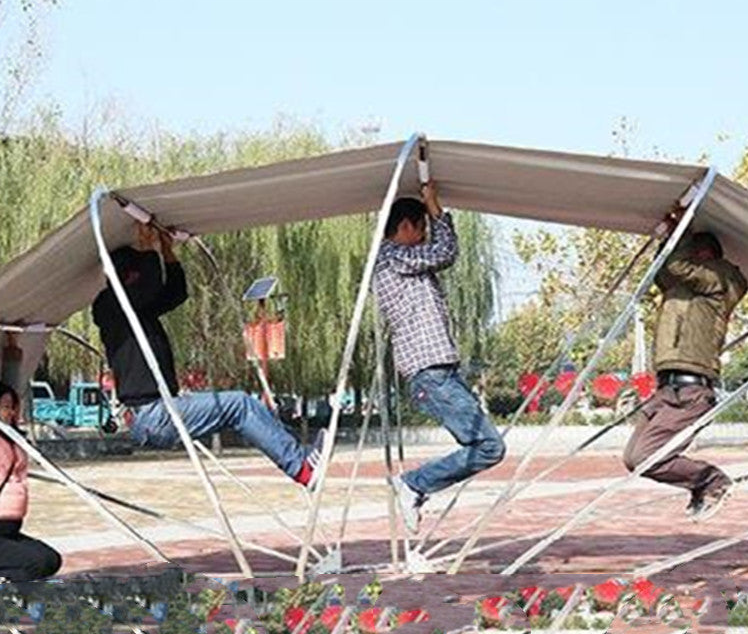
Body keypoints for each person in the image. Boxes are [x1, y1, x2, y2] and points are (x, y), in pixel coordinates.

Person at [91, 223, 325, 490]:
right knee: (240, 404)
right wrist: (148, 249)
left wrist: (166, 251)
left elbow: (175, 293)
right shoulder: (109, 306)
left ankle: (302, 457)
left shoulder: (139, 310)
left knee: (246, 408)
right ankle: (302, 469)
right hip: (153, 415)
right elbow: (148, 283)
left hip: (159, 411)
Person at [373, 181, 506, 534]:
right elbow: (445, 252)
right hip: (430, 372)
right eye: (422, 228)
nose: (424, 236)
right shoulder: (394, 258)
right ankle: (413, 484)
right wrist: (435, 206)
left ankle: (415, 484)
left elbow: (437, 254)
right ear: (405, 227)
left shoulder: (402, 261)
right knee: (489, 446)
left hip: (437, 371)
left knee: (487, 445)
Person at [623, 231, 748, 521]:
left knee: (647, 457)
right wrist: (667, 237)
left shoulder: (723, 281)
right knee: (633, 459)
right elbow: (662, 271)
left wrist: (680, 229)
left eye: (693, 253)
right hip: (666, 389)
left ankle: (711, 479)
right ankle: (699, 482)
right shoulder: (683, 287)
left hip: (690, 392)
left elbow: (676, 266)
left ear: (708, 256)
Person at [0, 382, 62, 582]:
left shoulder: (13, 437)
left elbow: (14, 379)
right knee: (34, 563)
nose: (8, 412)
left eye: (11, 406)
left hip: (10, 528)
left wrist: (13, 359)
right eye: (3, 407)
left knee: (51, 560)